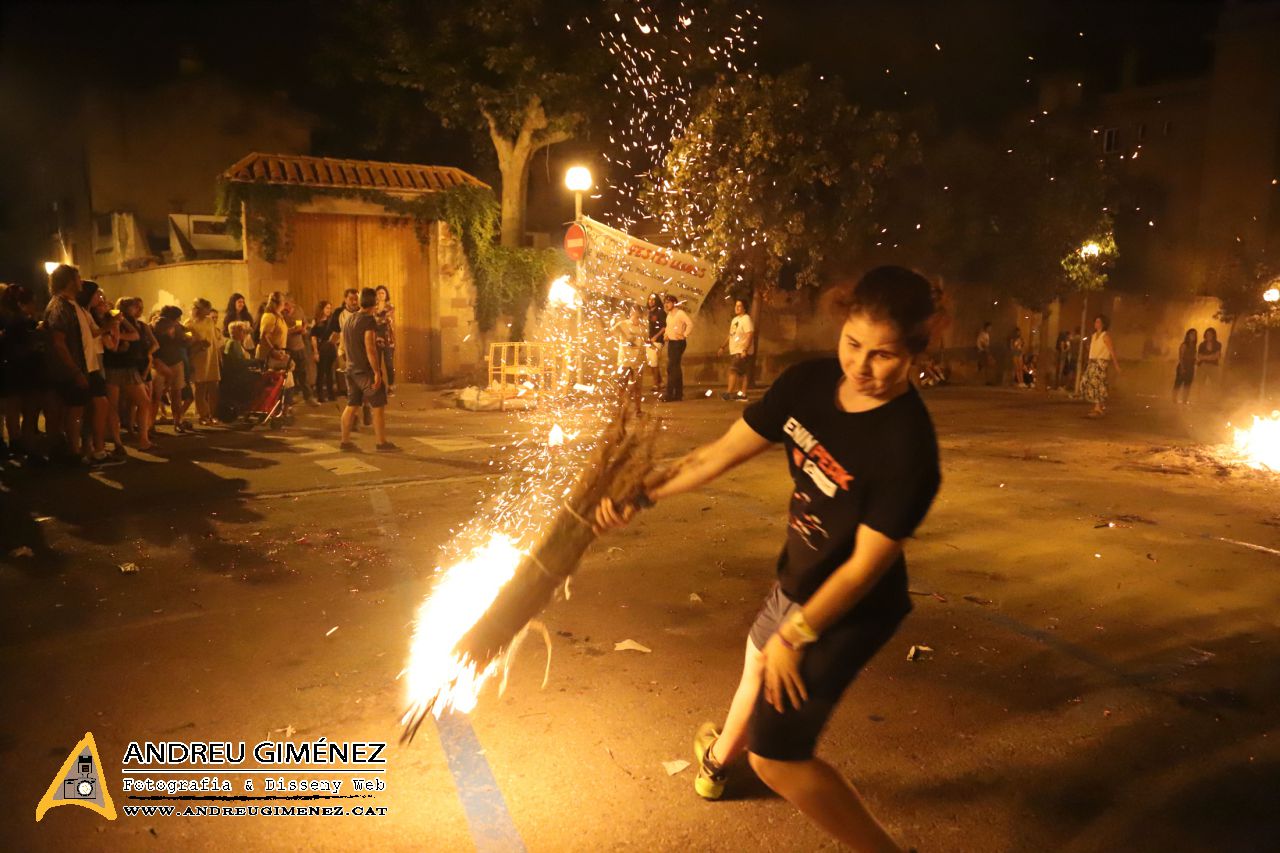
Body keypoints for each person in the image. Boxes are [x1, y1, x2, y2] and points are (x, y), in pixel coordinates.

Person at [596, 266, 940, 853]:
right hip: (800, 573)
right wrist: (644, 489)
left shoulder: (908, 446)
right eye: (853, 343)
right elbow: (722, 453)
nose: (861, 367)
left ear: (914, 351)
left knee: (778, 759)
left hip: (852, 609)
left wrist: (798, 633)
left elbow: (864, 568)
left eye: (883, 355)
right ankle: (718, 762)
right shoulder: (806, 386)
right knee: (757, 655)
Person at [43, 264, 91, 462]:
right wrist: (75, 371)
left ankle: (68, 448)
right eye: (78, 277)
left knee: (70, 410)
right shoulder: (59, 306)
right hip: (66, 371)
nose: (81, 282)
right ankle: (73, 451)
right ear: (70, 281)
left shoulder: (70, 305)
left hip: (72, 368)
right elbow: (59, 342)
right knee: (73, 410)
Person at [339, 288, 396, 452]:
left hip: (350, 369)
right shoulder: (368, 320)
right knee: (378, 404)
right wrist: (377, 372)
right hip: (364, 370)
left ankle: (345, 441)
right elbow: (370, 348)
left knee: (352, 404)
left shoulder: (350, 319)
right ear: (374, 303)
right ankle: (381, 442)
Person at [104, 297, 156, 454]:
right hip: (113, 366)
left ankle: (143, 439)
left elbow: (135, 336)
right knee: (113, 406)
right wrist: (118, 330)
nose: (138, 310)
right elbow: (112, 344)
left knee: (144, 402)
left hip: (129, 366)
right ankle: (118, 442)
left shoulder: (133, 322)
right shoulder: (106, 320)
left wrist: (122, 323)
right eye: (135, 306)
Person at [1, 284, 46, 458]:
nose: (35, 306)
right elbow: (28, 345)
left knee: (13, 409)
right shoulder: (22, 322)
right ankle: (27, 445)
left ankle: (16, 441)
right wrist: (38, 334)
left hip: (10, 369)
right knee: (29, 408)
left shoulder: (8, 320)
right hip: (24, 369)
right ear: (21, 304)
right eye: (32, 302)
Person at [78, 281, 119, 464]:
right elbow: (94, 334)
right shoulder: (81, 312)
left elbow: (111, 344)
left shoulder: (88, 313)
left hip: (95, 361)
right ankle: (95, 448)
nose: (100, 299)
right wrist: (110, 324)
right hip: (89, 364)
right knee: (97, 405)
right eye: (97, 295)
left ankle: (93, 447)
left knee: (97, 406)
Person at [151, 305, 194, 434]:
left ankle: (178, 421)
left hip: (176, 362)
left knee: (176, 394)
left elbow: (186, 339)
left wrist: (187, 338)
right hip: (160, 364)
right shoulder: (154, 327)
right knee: (156, 395)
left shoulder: (179, 327)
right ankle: (150, 424)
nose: (178, 320)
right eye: (177, 318)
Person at [186, 298, 222, 425]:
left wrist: (218, 355)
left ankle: (213, 414)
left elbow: (214, 339)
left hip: (211, 357)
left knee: (214, 387)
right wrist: (199, 343)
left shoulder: (209, 321)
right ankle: (203, 415)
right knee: (200, 388)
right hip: (198, 358)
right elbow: (188, 343)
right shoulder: (189, 324)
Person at [1082, 314, 1121, 417]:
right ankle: (1099, 406)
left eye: (1098, 322)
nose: (1096, 324)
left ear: (1103, 324)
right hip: (1092, 362)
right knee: (1089, 383)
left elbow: (1111, 351)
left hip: (1101, 363)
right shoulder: (1094, 336)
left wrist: (1116, 365)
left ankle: (1098, 407)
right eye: (1095, 322)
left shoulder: (1105, 336)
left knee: (1098, 385)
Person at [719, 299, 755, 400]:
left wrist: (745, 349)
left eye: (739, 306)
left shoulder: (746, 319)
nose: (737, 308)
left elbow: (750, 334)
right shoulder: (735, 320)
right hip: (735, 350)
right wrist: (723, 347)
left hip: (741, 350)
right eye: (736, 305)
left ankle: (729, 393)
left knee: (733, 370)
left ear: (744, 308)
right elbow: (731, 334)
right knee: (741, 373)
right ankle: (741, 394)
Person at [612, 303, 647, 406]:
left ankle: (638, 410)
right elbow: (611, 332)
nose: (637, 318)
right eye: (634, 314)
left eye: (639, 316)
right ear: (631, 313)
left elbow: (644, 344)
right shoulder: (623, 324)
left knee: (638, 387)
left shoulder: (643, 328)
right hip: (624, 361)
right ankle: (619, 406)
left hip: (637, 362)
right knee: (621, 385)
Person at [661, 295, 692, 402]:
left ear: (674, 303)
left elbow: (690, 324)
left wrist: (684, 334)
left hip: (678, 343)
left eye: (668, 302)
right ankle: (678, 394)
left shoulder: (680, 313)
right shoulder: (669, 315)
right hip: (672, 343)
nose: (666, 304)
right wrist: (666, 334)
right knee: (675, 368)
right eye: (665, 302)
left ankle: (669, 394)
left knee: (671, 367)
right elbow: (669, 328)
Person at [312, 300, 337, 402]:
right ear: (322, 309)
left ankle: (331, 394)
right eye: (327, 308)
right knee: (321, 372)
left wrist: (335, 338)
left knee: (330, 372)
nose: (329, 310)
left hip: (330, 348)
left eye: (330, 308)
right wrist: (315, 352)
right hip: (321, 348)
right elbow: (313, 337)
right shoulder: (316, 321)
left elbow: (337, 332)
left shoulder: (332, 320)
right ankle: (320, 395)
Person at [374, 285, 396, 395]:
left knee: (389, 364)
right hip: (375, 338)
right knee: (376, 364)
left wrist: (378, 319)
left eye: (383, 293)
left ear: (386, 294)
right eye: (378, 293)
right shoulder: (373, 307)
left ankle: (391, 385)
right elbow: (373, 321)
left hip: (388, 338)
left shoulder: (390, 306)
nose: (380, 295)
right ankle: (379, 386)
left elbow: (386, 319)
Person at [646, 293, 666, 395]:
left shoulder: (660, 312)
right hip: (649, 341)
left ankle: (655, 384)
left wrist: (655, 337)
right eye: (649, 299)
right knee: (652, 363)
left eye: (653, 299)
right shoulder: (648, 312)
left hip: (657, 341)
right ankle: (661, 382)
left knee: (654, 363)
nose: (651, 301)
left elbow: (663, 327)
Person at [1173, 328, 1197, 405]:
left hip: (1190, 368)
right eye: (1192, 334)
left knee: (1187, 385)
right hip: (1183, 366)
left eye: (1195, 334)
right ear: (1188, 335)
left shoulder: (1194, 346)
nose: (1194, 336)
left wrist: (1196, 361)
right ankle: (1174, 400)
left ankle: (1184, 400)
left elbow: (1193, 357)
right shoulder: (1184, 345)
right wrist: (1182, 368)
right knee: (1178, 384)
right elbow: (1180, 357)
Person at [1196, 327, 1222, 399]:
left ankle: (1215, 400)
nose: (1208, 335)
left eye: (1210, 334)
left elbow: (1216, 356)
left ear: (1214, 335)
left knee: (1215, 384)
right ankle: (1198, 399)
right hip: (1202, 366)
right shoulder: (1201, 345)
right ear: (1205, 335)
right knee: (1200, 384)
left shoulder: (1218, 344)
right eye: (1207, 334)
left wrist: (1205, 357)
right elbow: (1199, 356)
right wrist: (1211, 357)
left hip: (1214, 367)